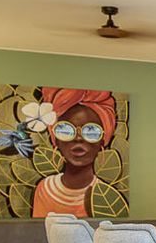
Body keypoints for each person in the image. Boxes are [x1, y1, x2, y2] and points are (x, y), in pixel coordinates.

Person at [30, 88, 120, 217]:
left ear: (102, 141)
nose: (78, 138)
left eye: (91, 131)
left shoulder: (106, 197)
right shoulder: (45, 189)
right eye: (65, 130)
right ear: (55, 140)